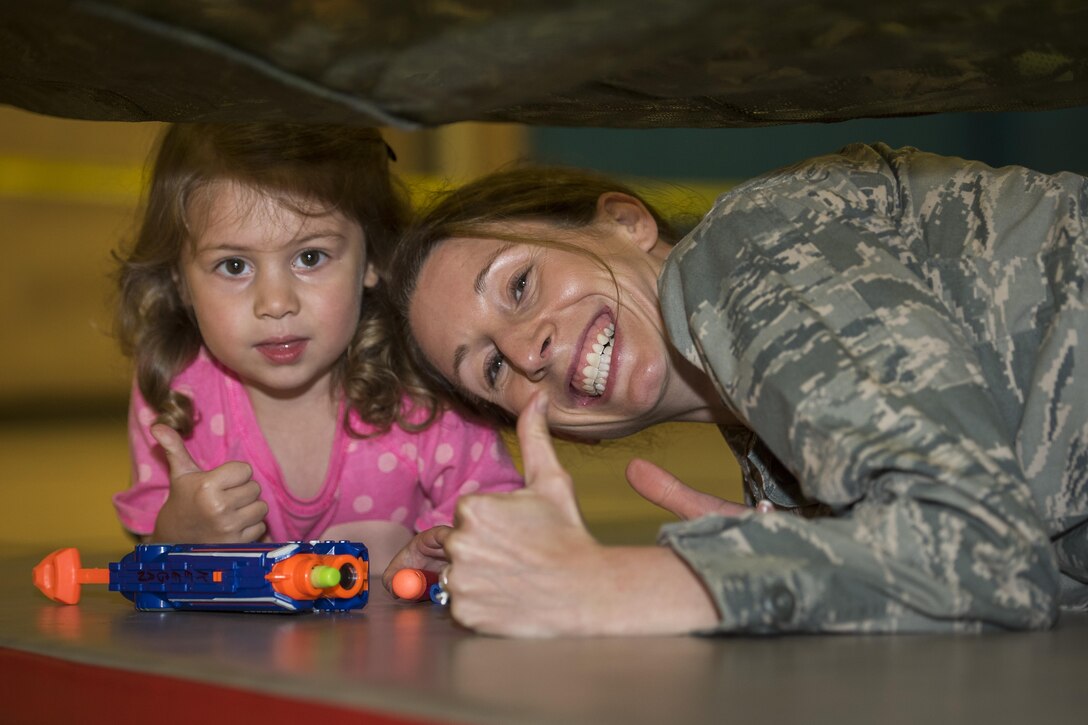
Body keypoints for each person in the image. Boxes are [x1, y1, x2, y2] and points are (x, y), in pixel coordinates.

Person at [391, 142, 1087, 636]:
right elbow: (1028, 577)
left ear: (625, 222)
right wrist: (810, 551)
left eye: (520, 283)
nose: (524, 348)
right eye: (490, 371)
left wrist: (607, 584)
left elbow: (986, 550)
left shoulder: (742, 248)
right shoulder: (773, 453)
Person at [111, 123, 523, 575]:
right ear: (179, 280)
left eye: (310, 257)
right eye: (234, 266)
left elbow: (501, 519)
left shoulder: (423, 386)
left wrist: (451, 548)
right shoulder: (177, 390)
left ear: (371, 258)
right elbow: (148, 572)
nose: (276, 303)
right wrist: (177, 536)